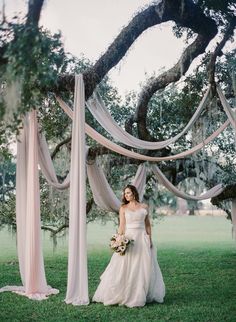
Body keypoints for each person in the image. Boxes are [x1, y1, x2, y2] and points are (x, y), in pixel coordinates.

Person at [93, 184, 165, 307]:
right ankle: (122, 293)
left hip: (142, 238)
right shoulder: (123, 208)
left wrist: (150, 239)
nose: (126, 195)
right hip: (129, 238)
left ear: (134, 193)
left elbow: (147, 224)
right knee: (124, 266)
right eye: (125, 193)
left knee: (142, 266)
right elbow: (122, 226)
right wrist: (118, 240)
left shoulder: (144, 207)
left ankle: (140, 293)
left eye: (128, 193)